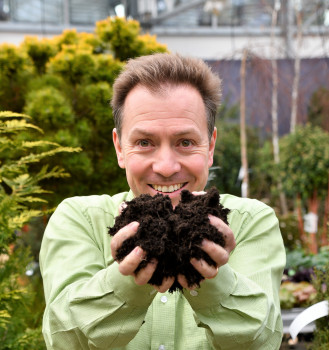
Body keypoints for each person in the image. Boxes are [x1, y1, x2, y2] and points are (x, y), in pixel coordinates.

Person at [40, 53, 286, 350]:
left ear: (210, 146)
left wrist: (210, 274)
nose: (166, 166)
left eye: (185, 142)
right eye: (145, 143)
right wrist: (130, 277)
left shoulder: (251, 221)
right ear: (120, 148)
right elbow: (64, 338)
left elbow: (262, 340)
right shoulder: (78, 219)